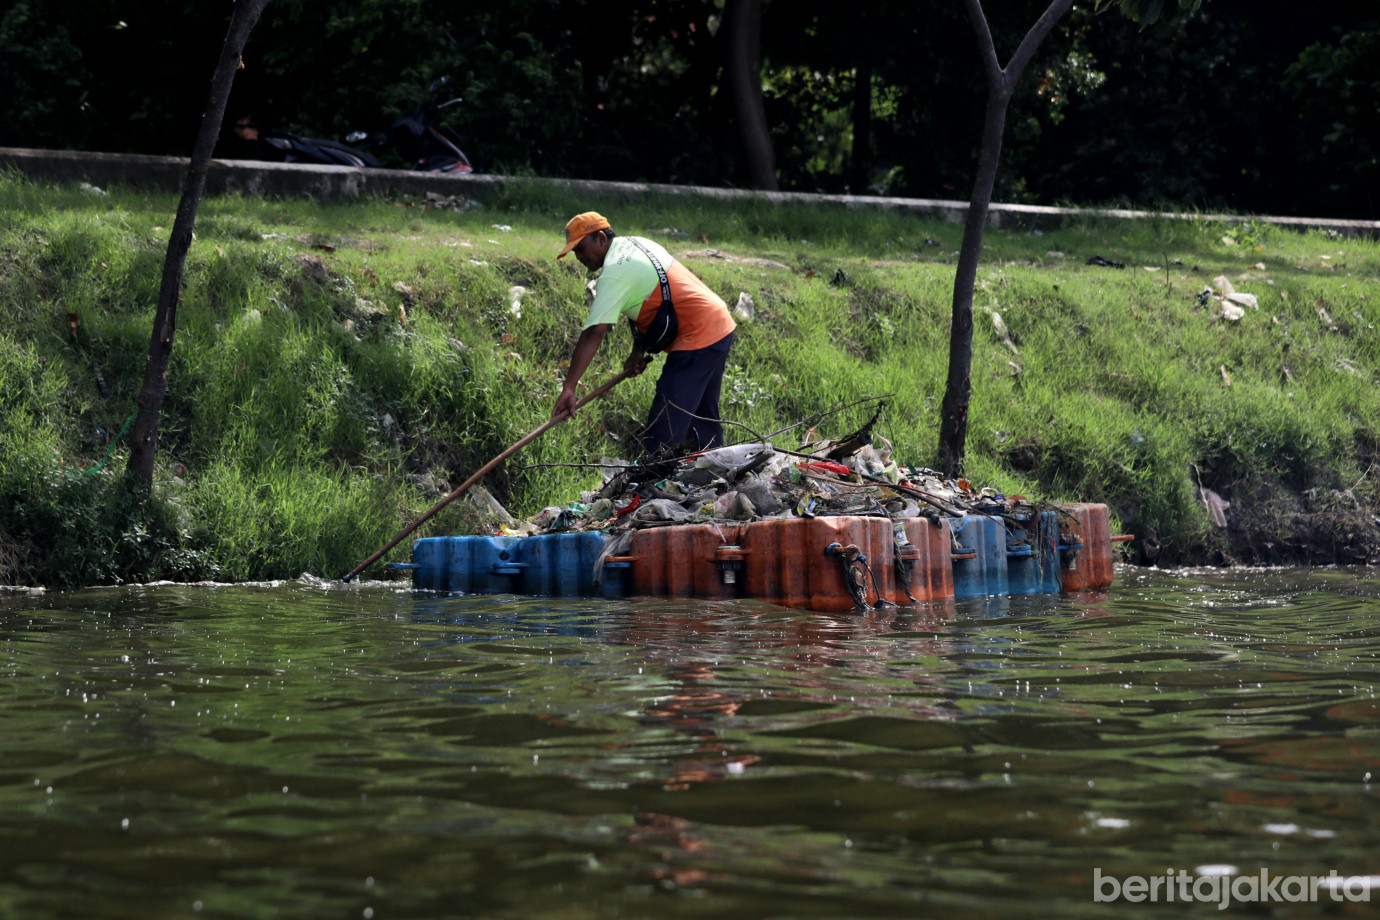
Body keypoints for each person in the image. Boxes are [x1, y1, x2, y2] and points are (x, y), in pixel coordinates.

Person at [552, 211, 736, 459]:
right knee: (701, 417)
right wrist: (638, 350)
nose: (579, 256)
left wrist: (569, 387)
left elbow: (594, 333)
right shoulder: (635, 244)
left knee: (666, 421)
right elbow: (649, 300)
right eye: (575, 251)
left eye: (581, 248)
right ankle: (714, 472)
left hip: (699, 334)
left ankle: (652, 477)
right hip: (718, 323)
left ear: (601, 239)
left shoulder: (614, 272)